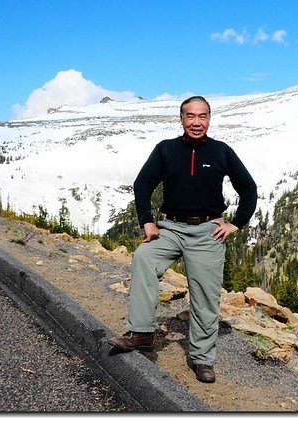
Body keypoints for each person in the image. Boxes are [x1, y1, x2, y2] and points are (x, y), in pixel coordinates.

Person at [108, 95, 257, 384]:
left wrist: (236, 223)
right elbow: (142, 184)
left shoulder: (221, 151)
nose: (197, 122)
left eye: (202, 116)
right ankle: (141, 332)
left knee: (205, 296)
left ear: (209, 119)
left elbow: (248, 188)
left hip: (206, 232)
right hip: (170, 228)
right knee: (143, 258)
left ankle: (202, 358)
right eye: (191, 116)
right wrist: (147, 221)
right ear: (181, 119)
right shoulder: (166, 150)